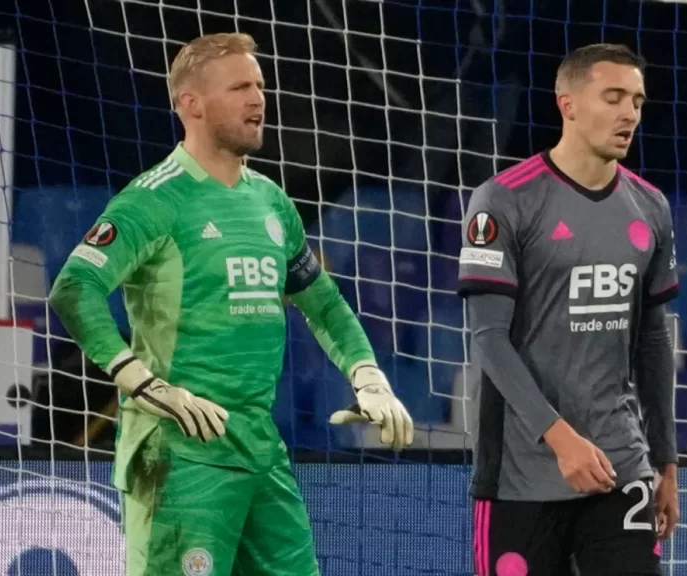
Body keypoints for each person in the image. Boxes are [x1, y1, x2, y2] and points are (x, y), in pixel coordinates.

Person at [48, 32, 414, 576]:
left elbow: (325, 304)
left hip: (260, 449)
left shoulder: (271, 201)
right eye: (240, 87)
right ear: (190, 104)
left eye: (259, 86)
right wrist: (139, 380)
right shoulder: (153, 198)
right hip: (180, 454)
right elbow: (74, 287)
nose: (258, 99)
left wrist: (368, 377)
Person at [458, 43, 681, 575]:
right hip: (521, 476)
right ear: (568, 104)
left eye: (637, 101)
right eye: (613, 97)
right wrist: (561, 440)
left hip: (620, 468)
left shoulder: (650, 207)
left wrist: (666, 461)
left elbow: (652, 340)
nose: (629, 113)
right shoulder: (502, 200)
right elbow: (489, 338)